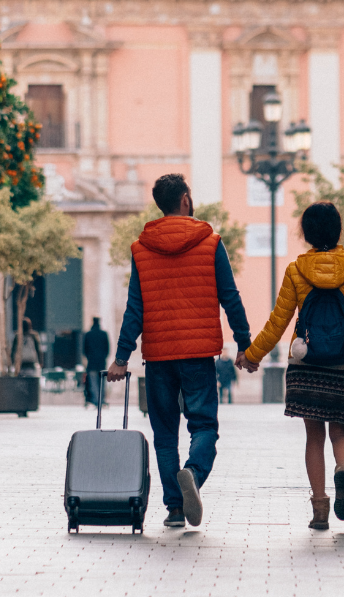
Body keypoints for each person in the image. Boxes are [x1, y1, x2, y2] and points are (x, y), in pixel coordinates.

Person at [106, 174, 252, 529]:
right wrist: (246, 343)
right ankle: (194, 473)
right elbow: (229, 296)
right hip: (199, 353)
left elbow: (134, 308)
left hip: (158, 355)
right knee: (204, 426)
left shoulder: (141, 248)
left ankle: (174, 507)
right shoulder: (210, 242)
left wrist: (122, 357)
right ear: (185, 199)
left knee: (165, 432)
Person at [236, 201, 344, 532]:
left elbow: (278, 321)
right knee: (341, 433)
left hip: (306, 363)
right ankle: (343, 471)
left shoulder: (296, 270)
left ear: (307, 233)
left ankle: (320, 509)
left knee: (313, 436)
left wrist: (252, 354)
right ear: (339, 230)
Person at [82, 317, 110, 407]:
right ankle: (101, 400)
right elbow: (107, 349)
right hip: (102, 363)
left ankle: (96, 400)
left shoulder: (88, 334)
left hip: (92, 363)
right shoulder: (104, 334)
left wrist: (89, 357)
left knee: (93, 384)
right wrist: (103, 357)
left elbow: (84, 350)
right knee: (102, 383)